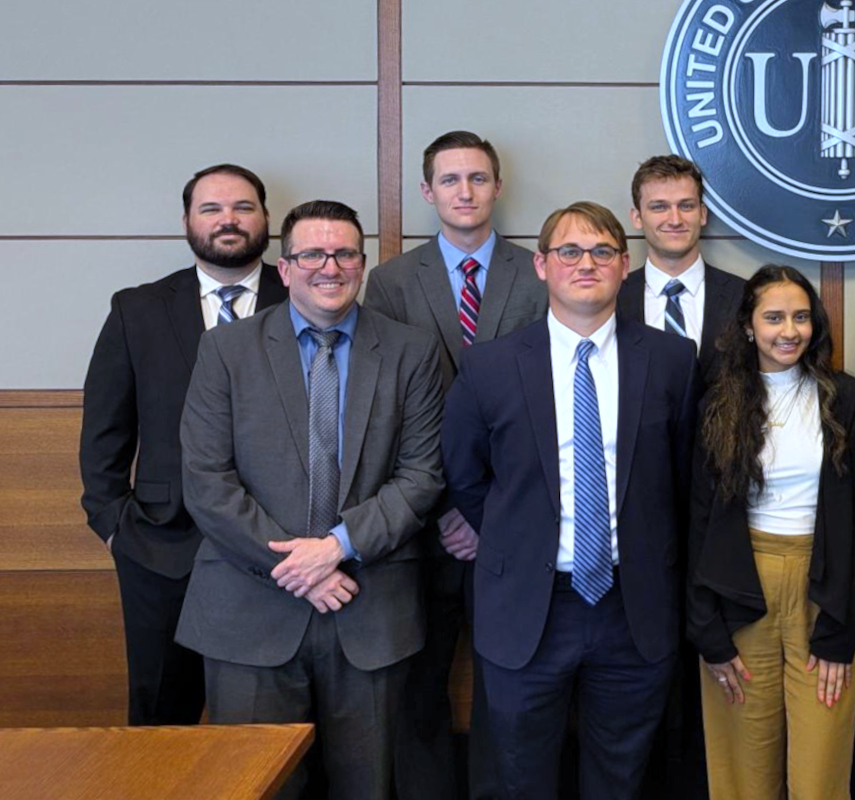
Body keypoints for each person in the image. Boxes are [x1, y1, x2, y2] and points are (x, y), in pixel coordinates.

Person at [176, 200, 445, 800]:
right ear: (284, 267)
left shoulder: (411, 351)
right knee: (253, 787)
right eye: (312, 254)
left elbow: (422, 476)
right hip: (248, 616)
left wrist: (335, 548)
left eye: (345, 253)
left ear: (363, 262)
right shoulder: (226, 350)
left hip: (371, 612)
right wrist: (298, 568)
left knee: (368, 788)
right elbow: (206, 479)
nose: (331, 266)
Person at [441, 202, 700, 800]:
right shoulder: (490, 365)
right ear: (541, 265)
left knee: (620, 778)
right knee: (518, 778)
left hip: (632, 608)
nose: (587, 264)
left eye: (603, 251)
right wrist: (516, 536)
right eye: (570, 252)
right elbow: (464, 474)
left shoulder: (670, 361)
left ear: (625, 264)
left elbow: (686, 477)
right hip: (527, 606)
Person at [364, 130, 547, 800]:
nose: (464, 192)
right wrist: (444, 508)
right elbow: (378, 413)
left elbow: (547, 410)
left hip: (511, 521)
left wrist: (484, 511)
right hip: (417, 524)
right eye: (450, 180)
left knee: (510, 683)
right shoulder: (386, 283)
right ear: (426, 191)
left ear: (497, 187)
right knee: (418, 686)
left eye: (477, 178)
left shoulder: (538, 274)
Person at [80, 163, 288, 726]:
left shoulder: (304, 298)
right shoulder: (138, 309)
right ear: (187, 221)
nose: (228, 220)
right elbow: (105, 429)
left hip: (277, 546)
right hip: (158, 544)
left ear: (266, 218)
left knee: (266, 722)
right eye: (211, 208)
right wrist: (113, 523)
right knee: (160, 718)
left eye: (243, 208)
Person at [687, 265, 855, 800]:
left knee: (819, 776)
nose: (788, 331)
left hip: (826, 592)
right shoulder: (718, 406)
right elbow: (697, 521)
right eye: (773, 317)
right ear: (748, 326)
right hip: (739, 590)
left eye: (800, 317)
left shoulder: (846, 398)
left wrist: (845, 633)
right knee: (743, 773)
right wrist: (707, 630)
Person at [621, 155, 747, 375]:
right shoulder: (612, 298)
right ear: (637, 217)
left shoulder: (744, 296)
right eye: (659, 207)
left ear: (703, 214)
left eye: (686, 206)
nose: (675, 220)